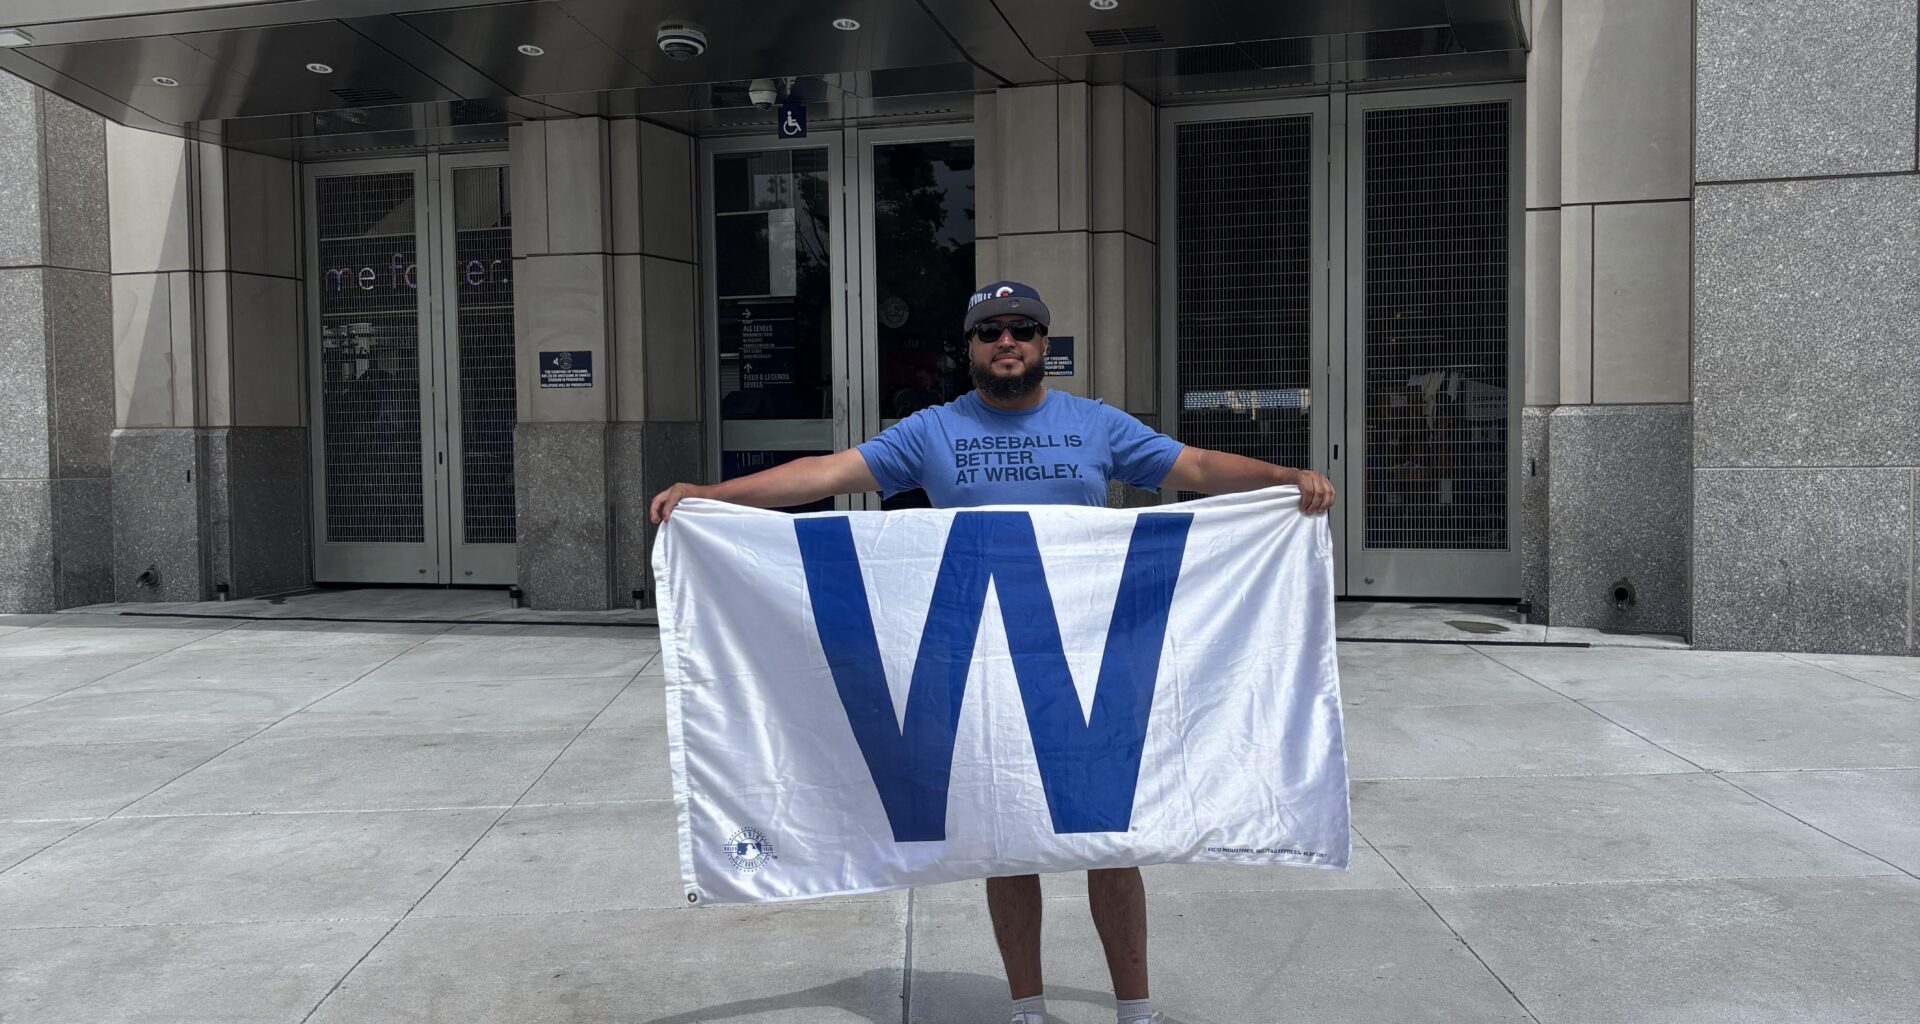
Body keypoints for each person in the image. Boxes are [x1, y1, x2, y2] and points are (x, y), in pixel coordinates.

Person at [651, 280, 1336, 1024]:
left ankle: (1135, 1011)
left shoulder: (1094, 423)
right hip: (980, 671)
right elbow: (824, 474)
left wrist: (1283, 480)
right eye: (990, 331)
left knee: (1113, 840)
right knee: (1004, 839)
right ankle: (1027, 1009)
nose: (1006, 341)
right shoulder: (932, 431)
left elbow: (1193, 469)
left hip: (1083, 664)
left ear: (1044, 344)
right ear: (970, 348)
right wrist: (713, 494)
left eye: (1021, 329)